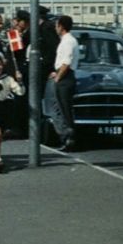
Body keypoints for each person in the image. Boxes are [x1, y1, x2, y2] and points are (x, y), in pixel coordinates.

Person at [49, 15, 79, 152]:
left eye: (56, 25)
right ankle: (67, 138)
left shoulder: (67, 41)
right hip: (65, 75)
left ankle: (68, 139)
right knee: (63, 108)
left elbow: (66, 63)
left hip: (65, 78)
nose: (56, 28)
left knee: (63, 109)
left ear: (61, 26)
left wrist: (58, 77)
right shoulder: (68, 40)